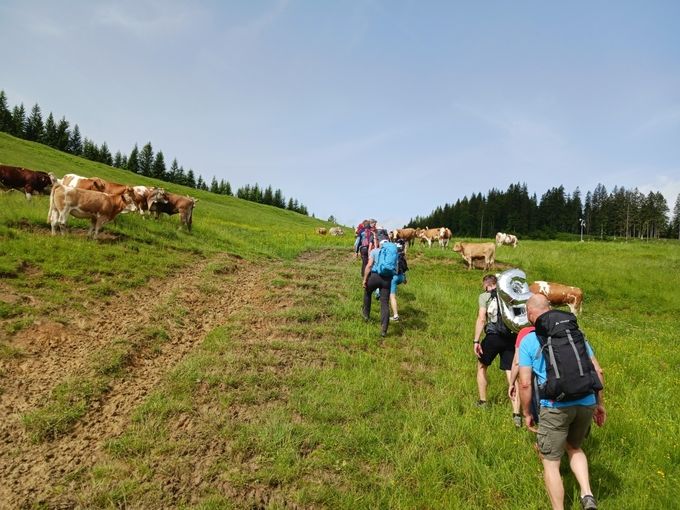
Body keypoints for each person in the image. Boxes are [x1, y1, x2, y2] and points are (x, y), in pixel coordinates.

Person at [518, 294, 606, 510]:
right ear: (549, 309)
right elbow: (597, 370)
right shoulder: (576, 335)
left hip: (555, 405)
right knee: (574, 447)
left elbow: (525, 383)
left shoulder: (529, 340)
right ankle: (587, 495)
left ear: (530, 314)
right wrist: (599, 404)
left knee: (551, 462)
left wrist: (527, 413)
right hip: (586, 401)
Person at [472, 274, 522, 426]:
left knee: (481, 366)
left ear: (487, 285)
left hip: (493, 337)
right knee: (511, 374)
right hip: (511, 338)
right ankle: (516, 414)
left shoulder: (485, 296)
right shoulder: (511, 297)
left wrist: (476, 340)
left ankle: (483, 401)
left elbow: (482, 318)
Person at [362, 235, 393, 337]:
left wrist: (365, 279)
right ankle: (384, 329)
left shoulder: (375, 251)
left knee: (367, 291)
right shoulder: (391, 253)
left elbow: (369, 265)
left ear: (379, 242)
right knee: (384, 303)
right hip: (387, 279)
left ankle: (366, 315)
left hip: (375, 277)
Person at [508, 325, 537, 425]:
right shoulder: (554, 328)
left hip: (535, 380)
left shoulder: (525, 332)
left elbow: (517, 361)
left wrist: (511, 383)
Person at [388, 239, 409, 321]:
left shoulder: (393, 255)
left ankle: (395, 315)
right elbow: (403, 267)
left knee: (392, 296)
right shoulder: (402, 255)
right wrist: (404, 279)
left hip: (394, 278)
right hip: (401, 277)